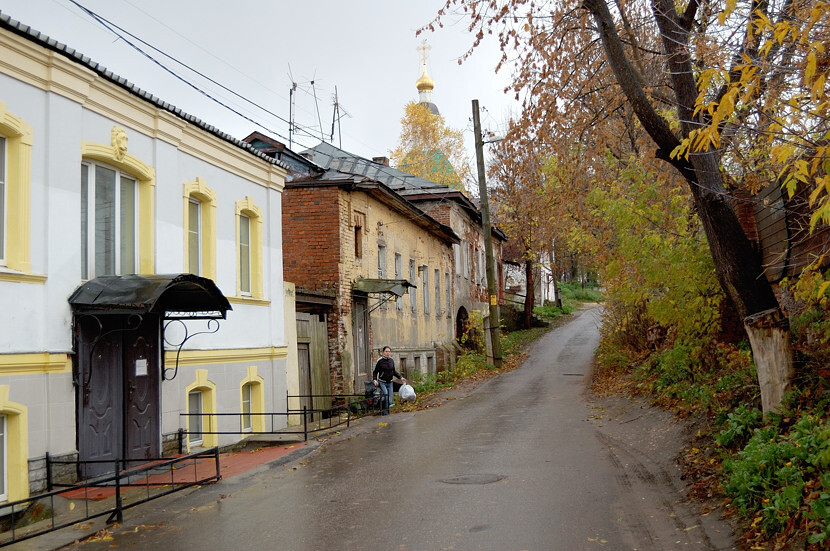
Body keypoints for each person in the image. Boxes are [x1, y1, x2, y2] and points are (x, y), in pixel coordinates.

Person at [372, 346, 406, 415]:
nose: (388, 353)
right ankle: (385, 413)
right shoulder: (380, 361)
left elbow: (393, 371)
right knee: (386, 397)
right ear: (383, 352)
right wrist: (375, 380)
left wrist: (401, 377)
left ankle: (385, 410)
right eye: (386, 351)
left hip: (390, 382)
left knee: (390, 400)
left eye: (389, 351)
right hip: (382, 382)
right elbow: (375, 372)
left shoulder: (391, 360)